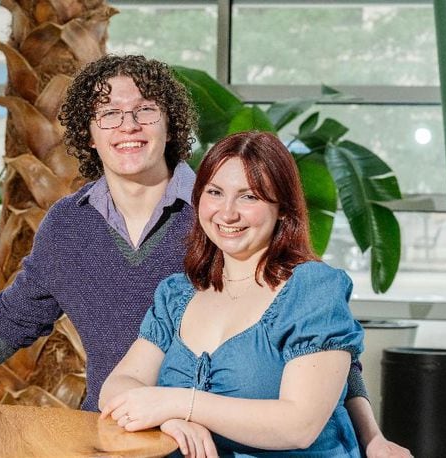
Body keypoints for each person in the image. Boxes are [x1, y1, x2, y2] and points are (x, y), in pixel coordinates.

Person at [0, 54, 409, 457]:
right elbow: (9, 323)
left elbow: (319, 344)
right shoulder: (67, 225)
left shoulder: (220, 211)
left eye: (144, 110)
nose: (127, 125)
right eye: (108, 114)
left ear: (170, 124)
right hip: (124, 430)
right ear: (88, 132)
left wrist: (373, 437)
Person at [100, 131, 363, 456]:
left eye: (249, 196)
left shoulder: (312, 289)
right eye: (215, 192)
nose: (227, 213)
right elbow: (118, 386)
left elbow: (299, 426)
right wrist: (167, 421)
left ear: (282, 207)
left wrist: (177, 404)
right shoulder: (177, 293)